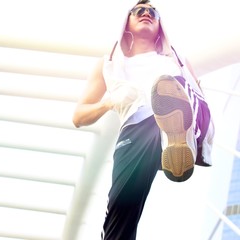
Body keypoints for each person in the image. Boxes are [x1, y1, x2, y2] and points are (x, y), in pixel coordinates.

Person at [72, 0, 215, 239]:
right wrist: (109, 102)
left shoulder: (176, 60)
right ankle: (175, 141)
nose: (146, 12)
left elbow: (199, 95)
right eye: (139, 10)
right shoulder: (108, 64)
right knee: (120, 215)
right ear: (126, 19)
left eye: (153, 11)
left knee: (170, 88)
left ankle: (178, 134)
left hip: (165, 118)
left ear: (161, 24)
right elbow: (78, 116)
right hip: (133, 132)